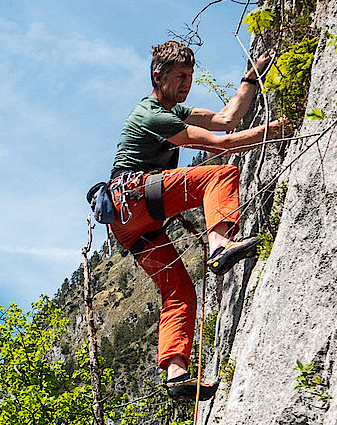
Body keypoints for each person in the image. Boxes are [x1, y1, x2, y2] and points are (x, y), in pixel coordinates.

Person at [103, 40, 289, 400]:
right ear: (157, 77)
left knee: (179, 291)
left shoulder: (174, 111)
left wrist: (249, 80)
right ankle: (220, 246)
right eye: (179, 77)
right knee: (219, 175)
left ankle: (176, 374)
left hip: (130, 225)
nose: (187, 82)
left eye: (190, 75)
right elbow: (222, 144)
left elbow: (225, 119)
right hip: (136, 196)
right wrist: (278, 128)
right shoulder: (152, 115)